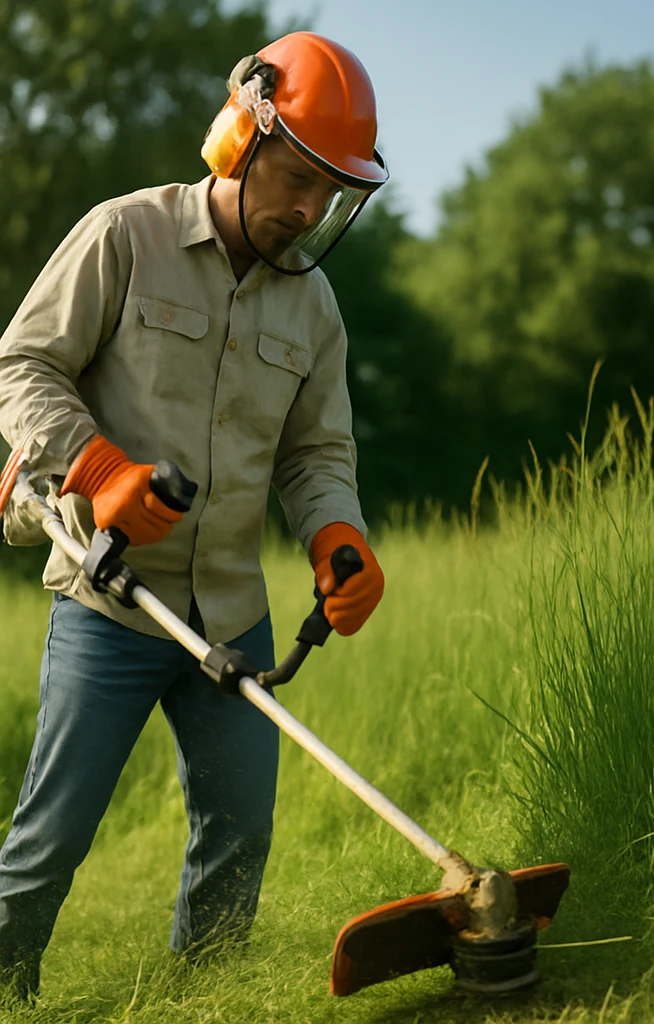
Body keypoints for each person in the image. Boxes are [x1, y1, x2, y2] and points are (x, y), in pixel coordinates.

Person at [0, 31, 388, 1002]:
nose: (307, 210)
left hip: (232, 611)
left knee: (239, 834)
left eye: (330, 192)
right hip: (111, 603)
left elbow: (315, 455)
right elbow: (21, 366)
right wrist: (98, 467)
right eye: (296, 176)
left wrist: (337, 534)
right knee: (52, 836)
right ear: (235, 138)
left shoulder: (316, 308)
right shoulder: (123, 235)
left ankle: (203, 1001)